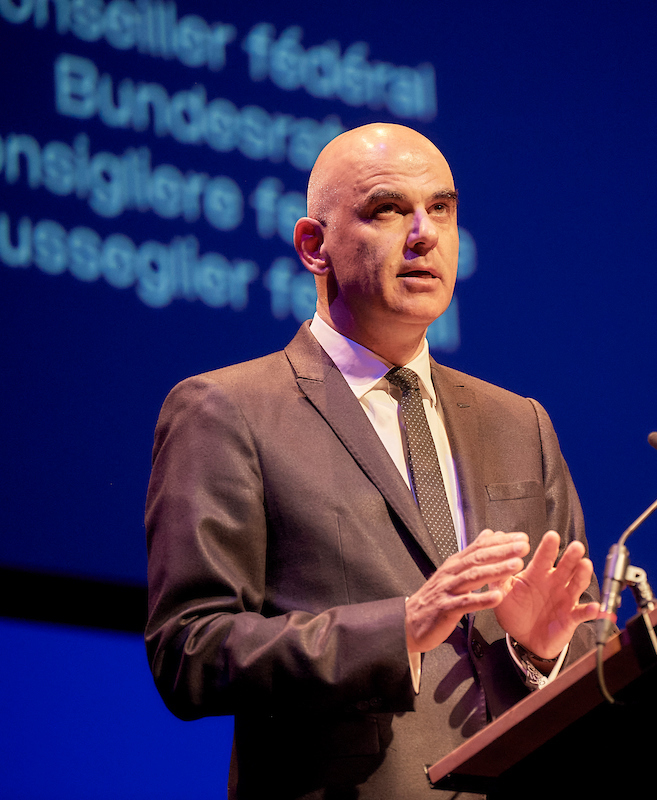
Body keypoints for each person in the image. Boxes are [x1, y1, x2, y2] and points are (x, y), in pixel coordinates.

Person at [145, 123, 600, 799]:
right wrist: (401, 628)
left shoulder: (520, 423)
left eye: (441, 209)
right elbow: (192, 650)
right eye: (389, 210)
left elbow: (586, 641)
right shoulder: (226, 410)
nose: (424, 235)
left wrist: (540, 653)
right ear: (313, 246)